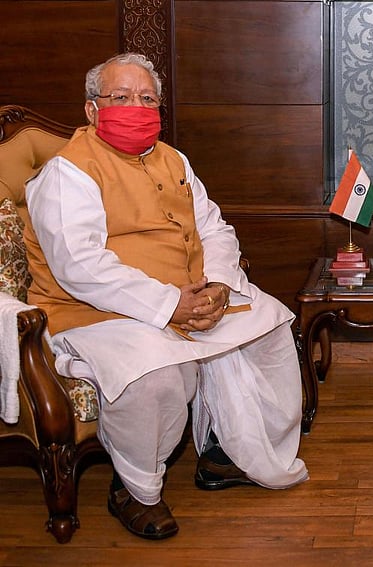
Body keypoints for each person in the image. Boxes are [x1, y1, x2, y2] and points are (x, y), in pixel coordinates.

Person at [23, 53, 309, 540]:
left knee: (269, 326)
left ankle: (226, 453)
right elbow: (79, 266)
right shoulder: (66, 172)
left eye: (147, 98)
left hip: (190, 296)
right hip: (98, 313)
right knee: (156, 375)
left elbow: (214, 227)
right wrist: (170, 304)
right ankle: (135, 490)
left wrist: (219, 285)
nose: (136, 108)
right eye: (121, 97)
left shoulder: (173, 159)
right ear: (93, 109)